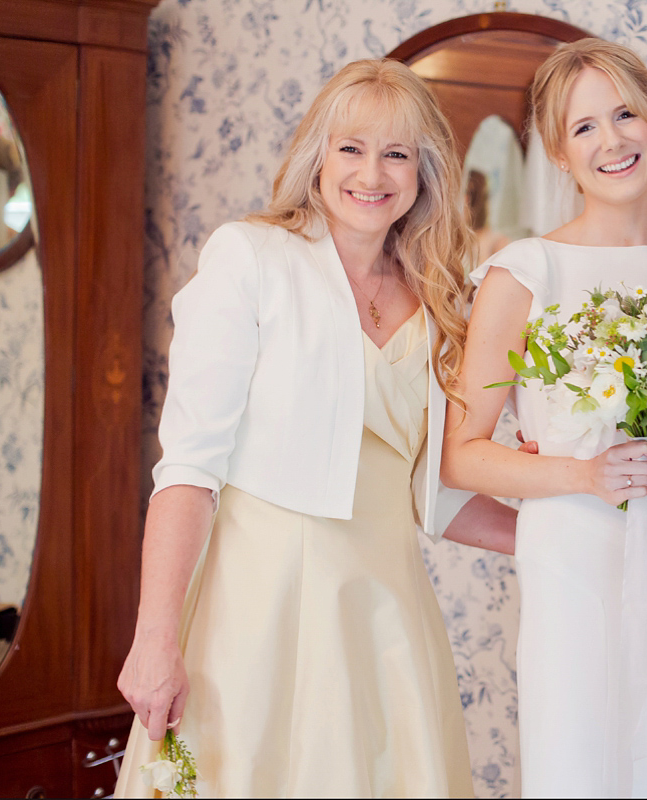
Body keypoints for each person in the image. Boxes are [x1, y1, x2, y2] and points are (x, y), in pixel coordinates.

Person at [115, 58, 517, 798]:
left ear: (424, 170)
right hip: (258, 606)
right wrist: (154, 638)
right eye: (351, 148)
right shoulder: (252, 258)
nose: (373, 173)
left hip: (387, 609)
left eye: (397, 152)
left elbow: (436, 493)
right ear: (318, 157)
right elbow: (189, 470)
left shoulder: (442, 299)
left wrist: (571, 532)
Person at [440, 39, 647, 798]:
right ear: (557, 149)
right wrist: (581, 473)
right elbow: (460, 456)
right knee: (575, 772)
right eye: (584, 127)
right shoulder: (525, 273)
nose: (611, 141)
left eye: (625, 115)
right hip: (572, 571)